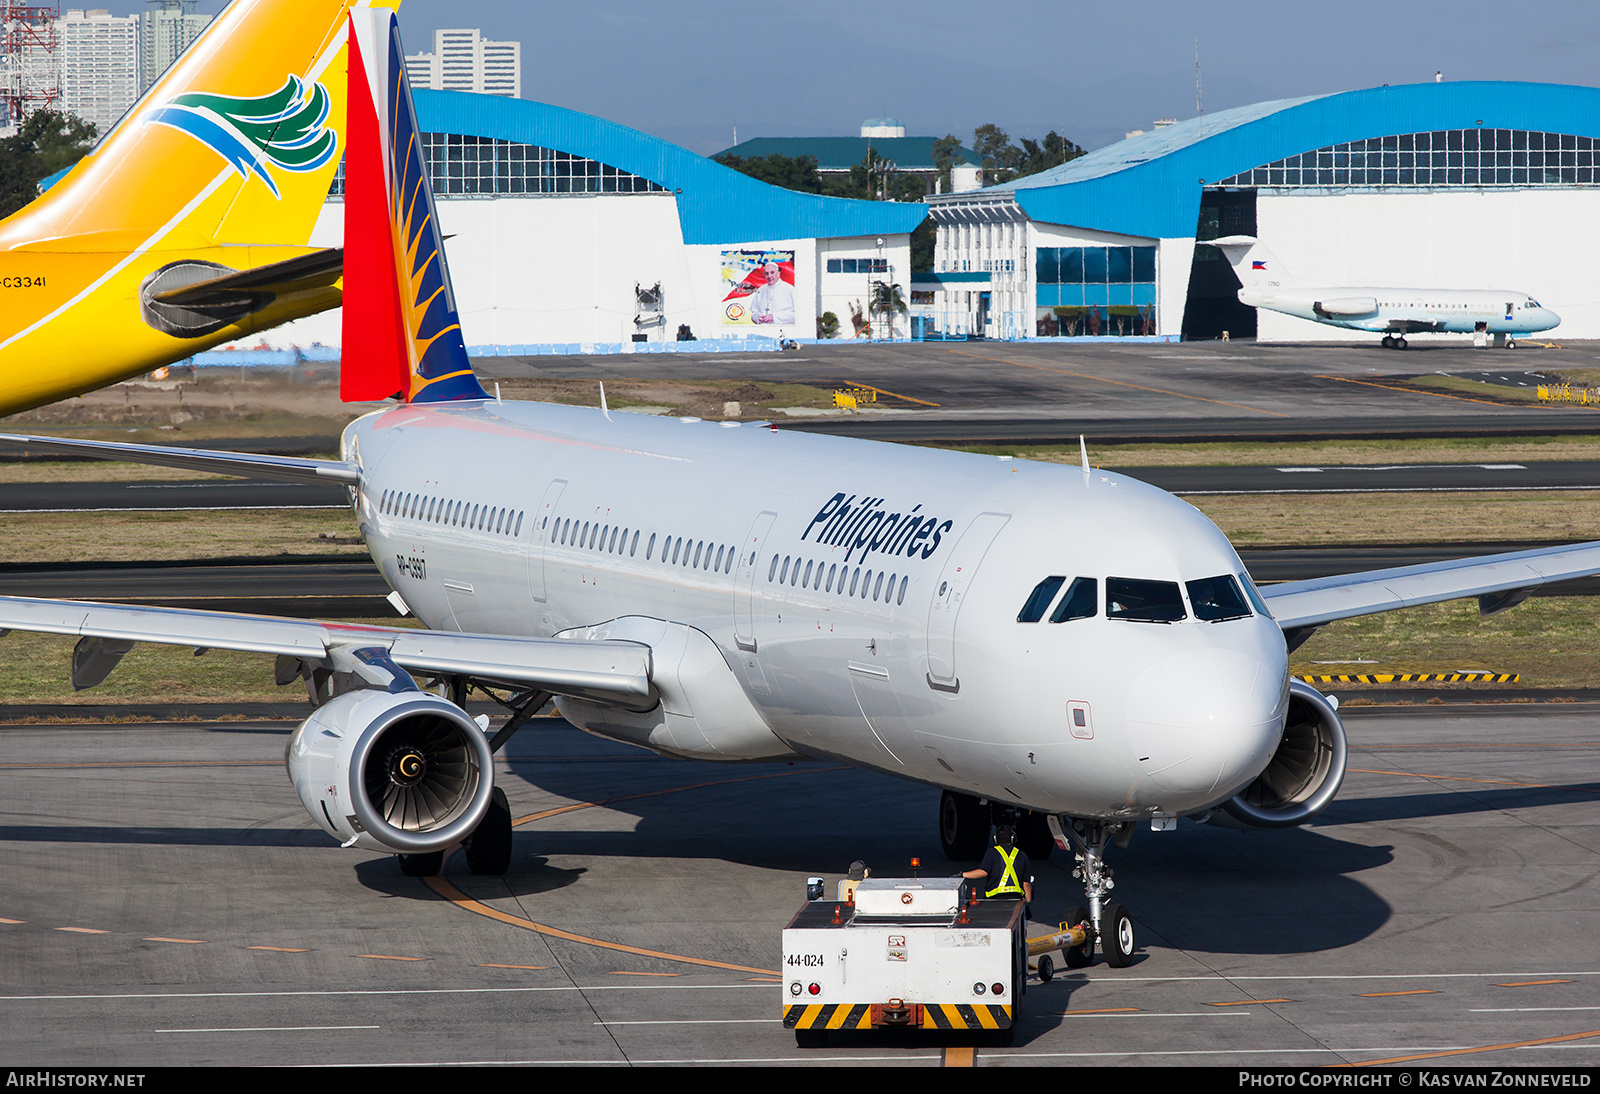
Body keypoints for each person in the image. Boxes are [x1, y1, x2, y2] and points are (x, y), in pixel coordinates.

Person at [962, 824, 1033, 905]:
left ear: (995, 839)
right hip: (1016, 898)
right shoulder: (1022, 855)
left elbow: (983, 872)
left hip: (994, 899)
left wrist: (963, 874)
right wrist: (1027, 904)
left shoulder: (991, 853)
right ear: (1013, 838)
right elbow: (1026, 884)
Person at [750, 260, 796, 325]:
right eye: (766, 273)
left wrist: (774, 317)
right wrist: (757, 317)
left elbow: (798, 315)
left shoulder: (790, 289)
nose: (769, 276)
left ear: (778, 273)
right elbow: (753, 313)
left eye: (772, 272)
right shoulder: (760, 290)